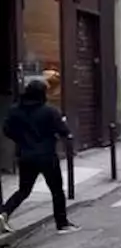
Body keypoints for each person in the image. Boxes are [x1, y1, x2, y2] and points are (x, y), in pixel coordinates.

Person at [0, 78, 80, 235]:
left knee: (23, 190)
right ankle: (62, 223)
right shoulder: (49, 111)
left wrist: (21, 140)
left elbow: (7, 130)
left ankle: (4, 212)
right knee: (56, 190)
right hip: (47, 155)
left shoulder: (15, 110)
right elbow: (63, 131)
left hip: (25, 155)